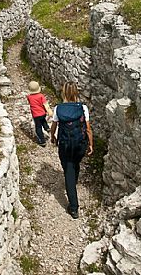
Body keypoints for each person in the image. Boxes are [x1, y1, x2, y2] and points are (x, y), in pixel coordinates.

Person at [50, 81, 93, 219]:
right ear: (76, 92)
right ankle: (73, 183)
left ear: (64, 92)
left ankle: (73, 208)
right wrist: (91, 144)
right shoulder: (83, 108)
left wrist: (52, 137)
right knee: (76, 163)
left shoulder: (58, 108)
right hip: (80, 144)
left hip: (65, 145)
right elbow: (88, 129)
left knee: (68, 169)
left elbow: (54, 126)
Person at [27, 80, 53, 147]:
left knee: (38, 127)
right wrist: (49, 111)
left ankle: (42, 141)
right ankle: (46, 127)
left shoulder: (29, 97)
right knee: (43, 120)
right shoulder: (41, 96)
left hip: (36, 115)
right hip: (43, 113)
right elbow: (45, 104)